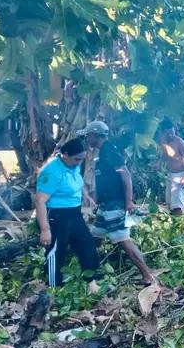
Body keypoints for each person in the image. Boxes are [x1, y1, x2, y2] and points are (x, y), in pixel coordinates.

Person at [84, 121, 157, 286]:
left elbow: (126, 176)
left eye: (88, 135)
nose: (87, 138)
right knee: (94, 238)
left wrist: (129, 201)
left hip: (115, 204)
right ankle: (91, 271)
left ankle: (147, 275)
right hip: (105, 206)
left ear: (95, 135)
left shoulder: (110, 152)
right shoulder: (102, 153)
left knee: (123, 240)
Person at [35, 138, 100, 292]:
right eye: (77, 159)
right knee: (56, 252)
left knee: (87, 245)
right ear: (65, 154)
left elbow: (78, 184)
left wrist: (86, 196)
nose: (79, 162)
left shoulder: (74, 166)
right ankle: (54, 288)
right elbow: (39, 201)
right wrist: (45, 230)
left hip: (74, 213)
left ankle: (91, 282)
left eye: (82, 159)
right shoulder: (51, 172)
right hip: (56, 216)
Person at [156, 118, 184, 215]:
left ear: (174, 130)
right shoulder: (163, 141)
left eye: (172, 132)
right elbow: (165, 154)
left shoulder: (180, 143)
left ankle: (180, 225)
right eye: (168, 133)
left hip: (181, 175)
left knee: (176, 206)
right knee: (171, 201)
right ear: (163, 133)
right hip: (170, 174)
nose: (171, 135)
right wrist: (159, 163)